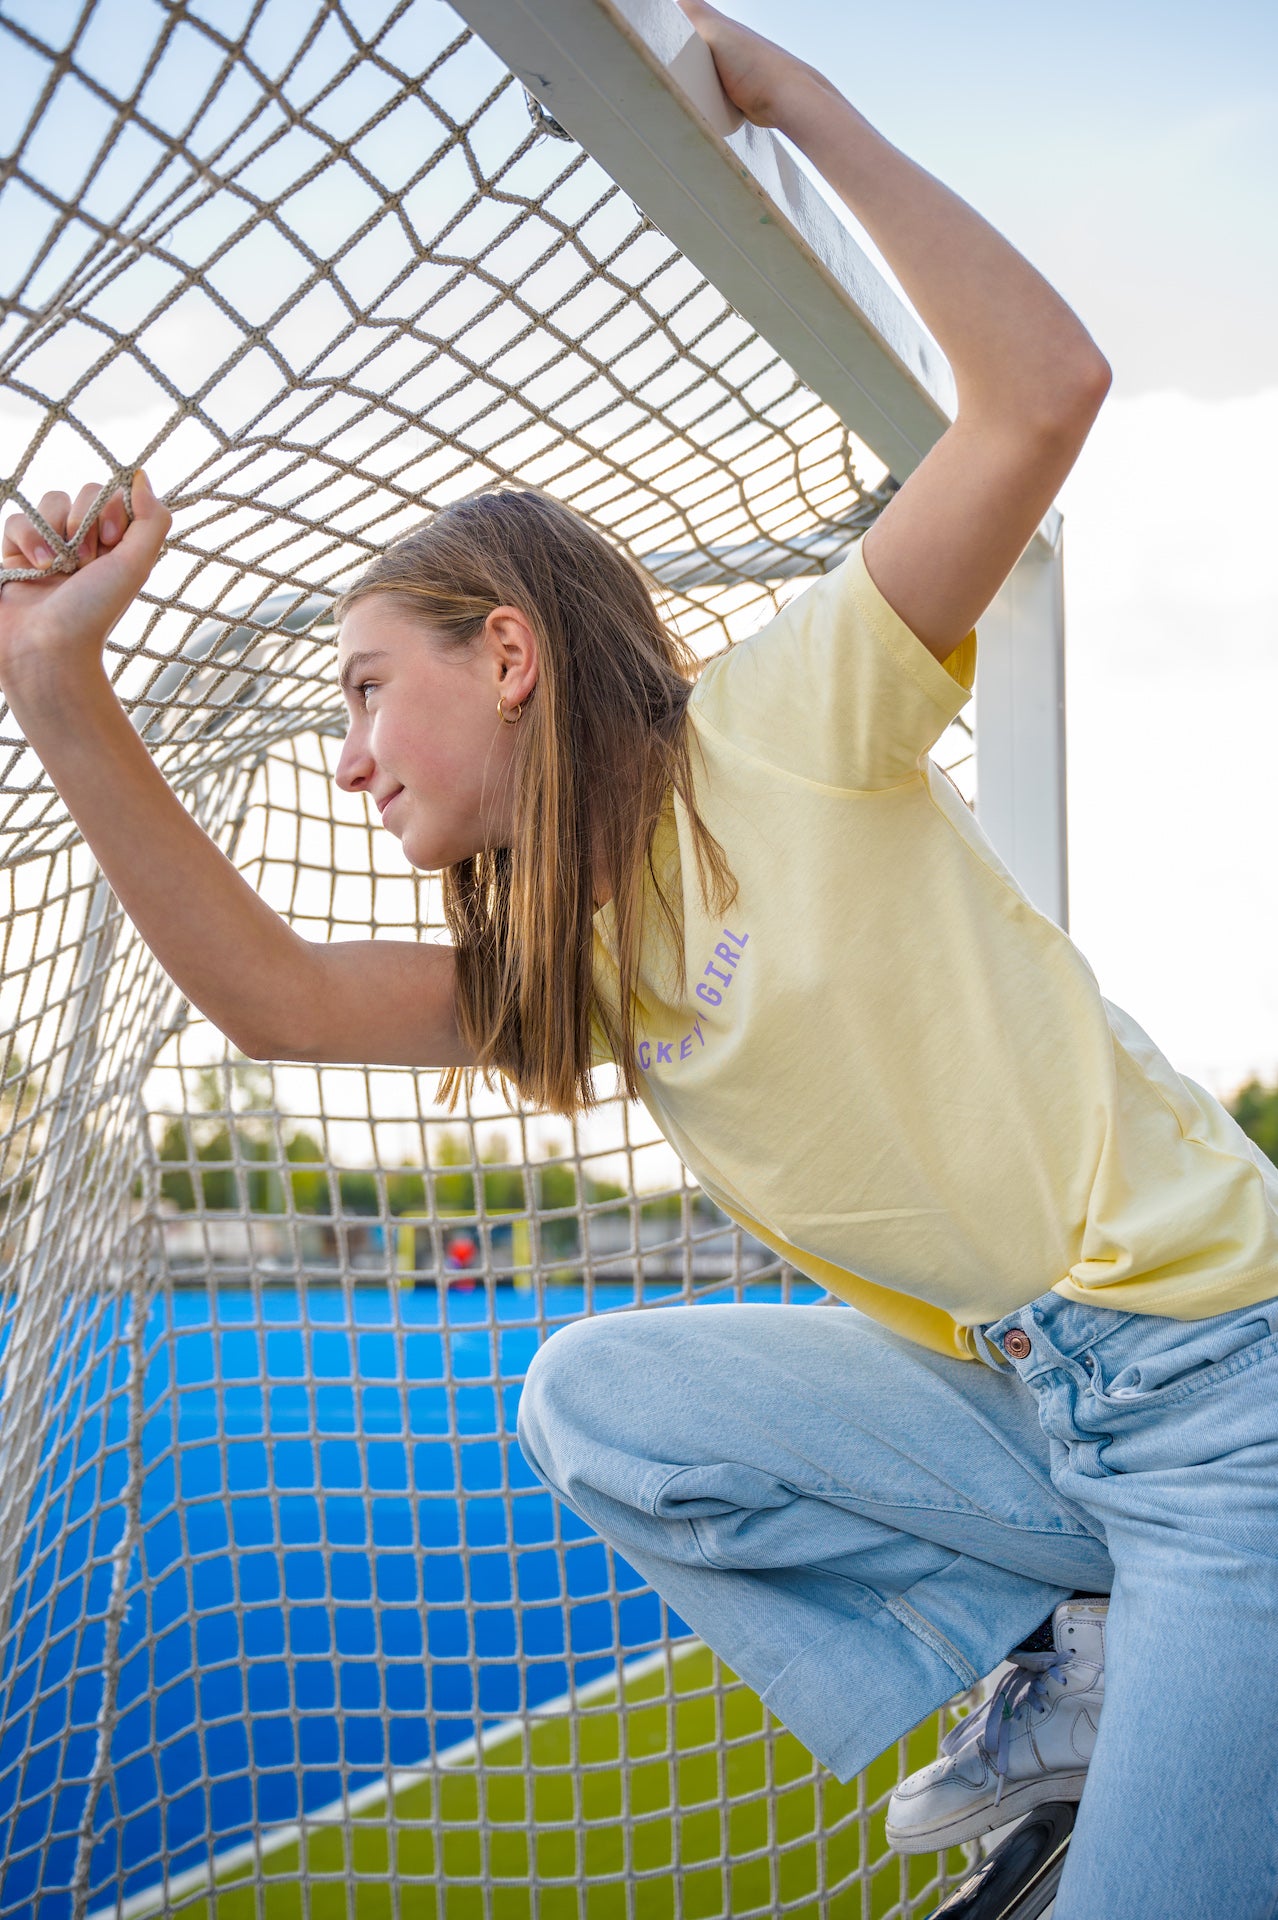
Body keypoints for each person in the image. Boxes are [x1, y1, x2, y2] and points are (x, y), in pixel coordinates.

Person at [1, 5, 1275, 1916]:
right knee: (595, 1395)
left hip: (1220, 1404)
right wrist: (50, 681)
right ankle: (1071, 1656)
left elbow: (1039, 391)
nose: (342, 753)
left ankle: (1135, 1674)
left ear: (507, 654)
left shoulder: (786, 723)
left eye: (368, 694)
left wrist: (786, 95)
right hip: (1033, 1425)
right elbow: (267, 999)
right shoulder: (564, 964)